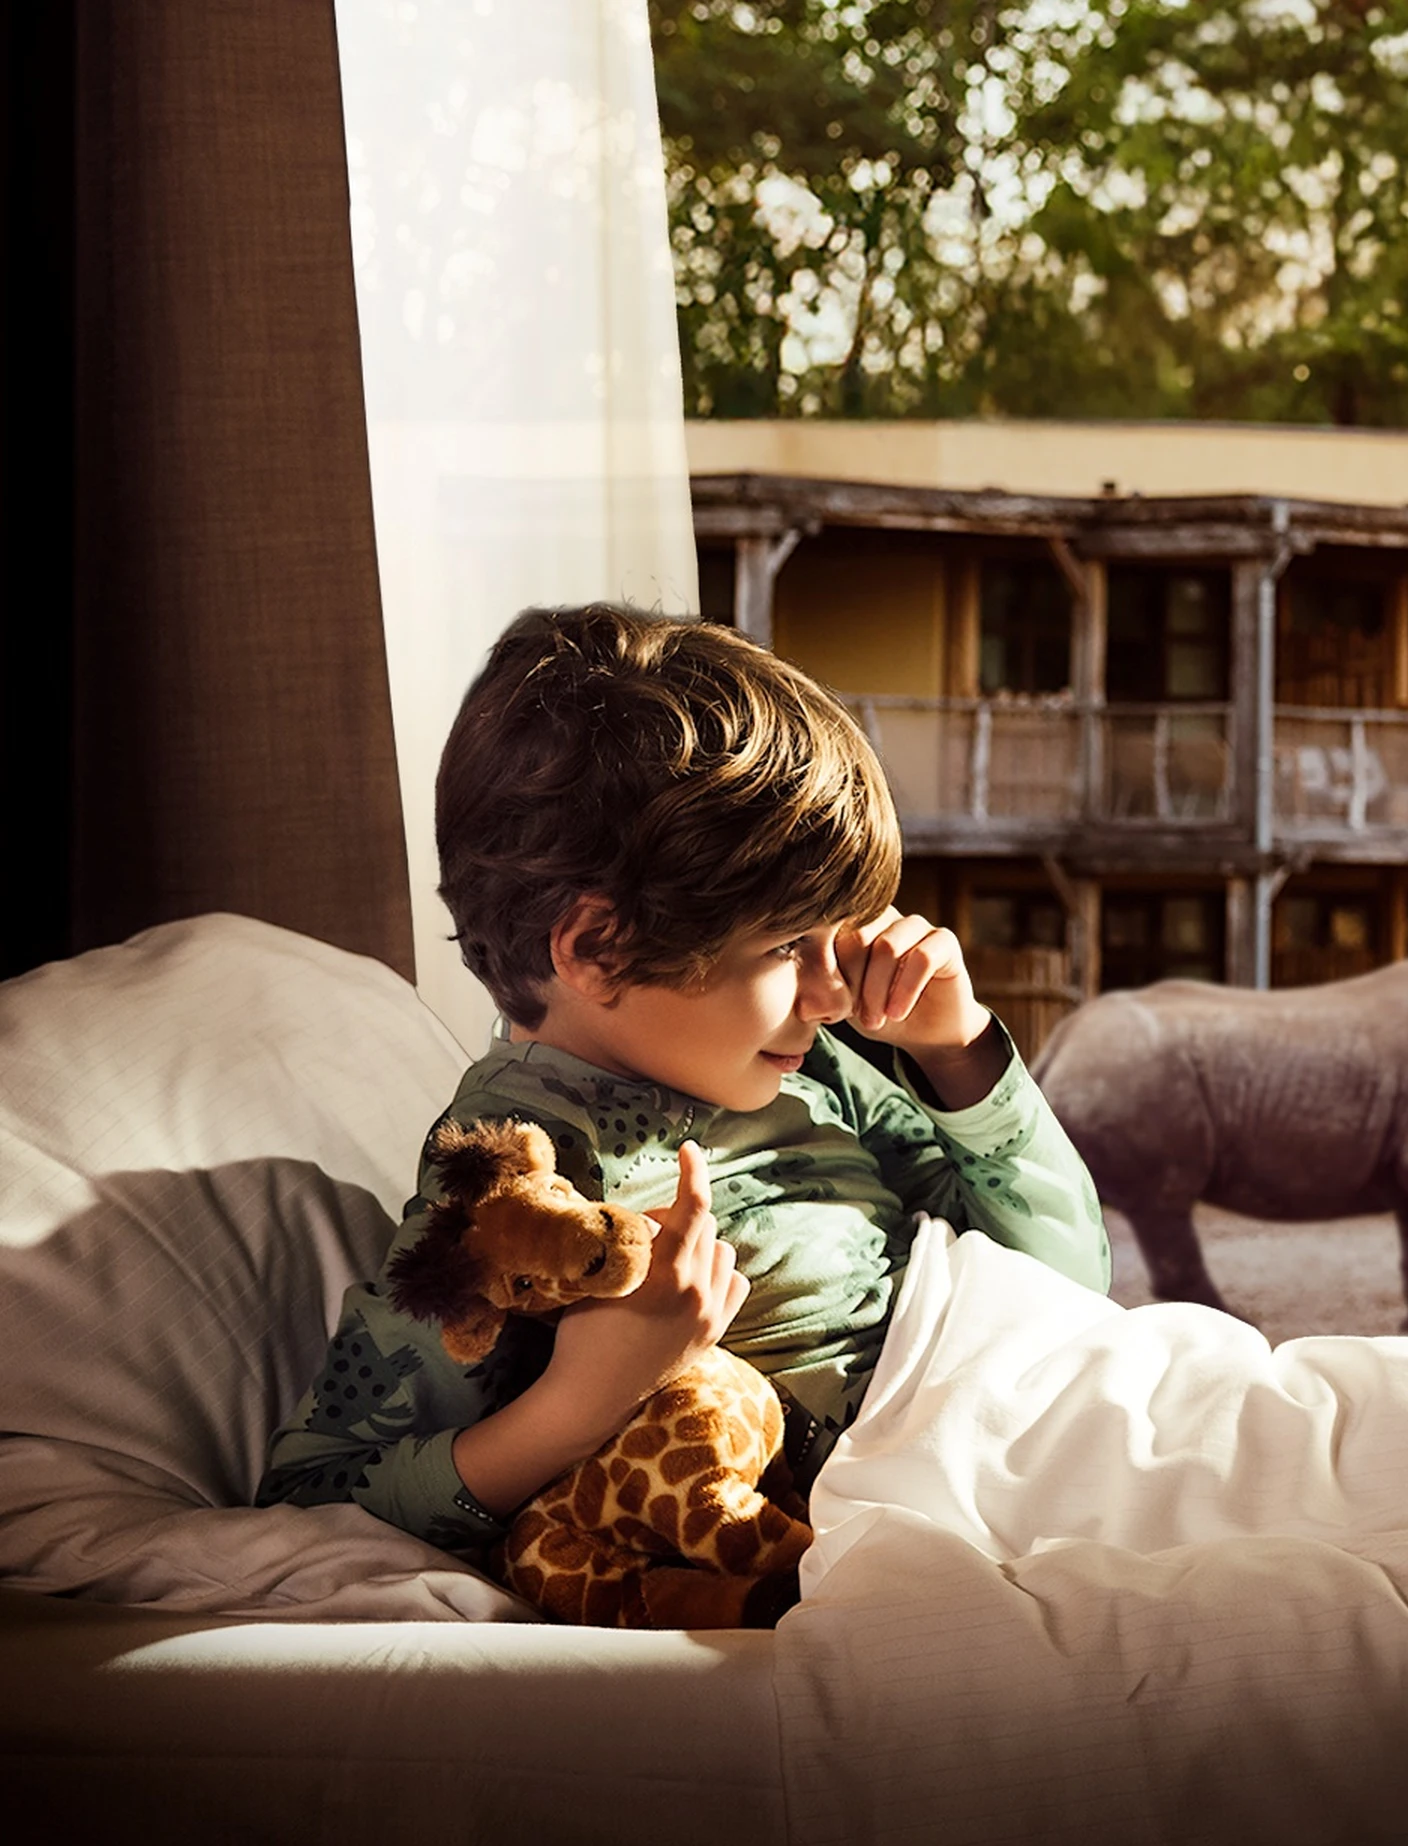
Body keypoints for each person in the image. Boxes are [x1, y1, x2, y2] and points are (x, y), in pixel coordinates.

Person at [261, 603, 1108, 1574]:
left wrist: (958, 1048)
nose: (831, 993)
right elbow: (316, 1496)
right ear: (597, 947)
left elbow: (1072, 1276)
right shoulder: (512, 1181)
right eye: (791, 945)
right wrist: (578, 1405)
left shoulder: (807, 1060)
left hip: (1030, 1388)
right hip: (928, 1470)